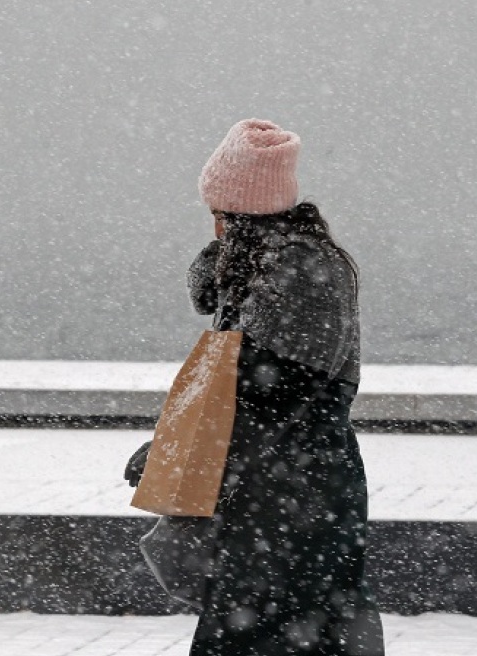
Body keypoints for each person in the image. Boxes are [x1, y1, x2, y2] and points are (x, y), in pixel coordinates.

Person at [127, 119, 384, 655]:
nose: (213, 226)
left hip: (292, 495)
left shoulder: (297, 271)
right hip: (289, 489)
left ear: (240, 212)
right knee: (296, 628)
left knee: (275, 631)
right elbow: (252, 395)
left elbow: (265, 400)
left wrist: (171, 455)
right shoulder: (277, 263)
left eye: (218, 213)